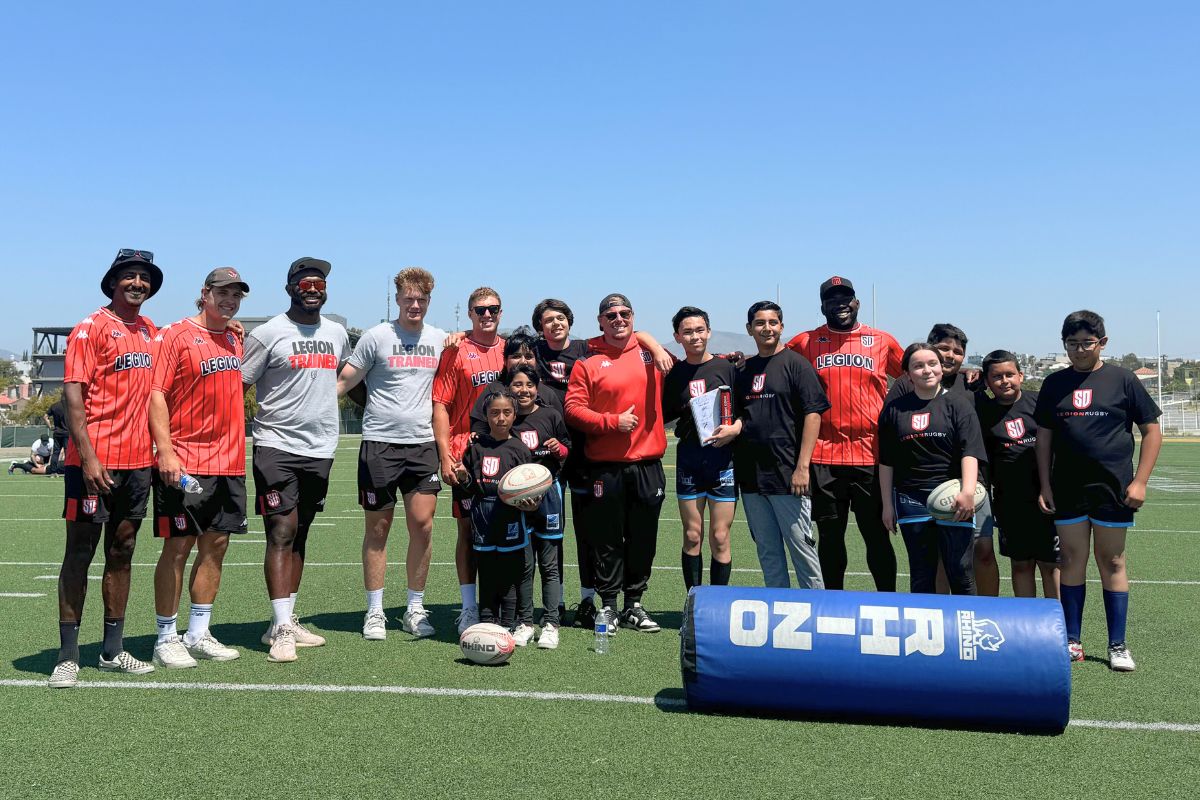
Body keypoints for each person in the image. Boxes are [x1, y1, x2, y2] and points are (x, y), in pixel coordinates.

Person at [49, 248, 163, 688]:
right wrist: (89, 454)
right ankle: (67, 655)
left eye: (144, 278)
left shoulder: (151, 330)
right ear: (113, 282)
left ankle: (113, 649)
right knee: (79, 552)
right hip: (93, 463)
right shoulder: (89, 328)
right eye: (130, 276)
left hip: (138, 463)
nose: (138, 283)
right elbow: (72, 396)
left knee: (123, 550)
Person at [530, 298, 671, 629]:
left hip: (648, 463)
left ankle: (634, 603)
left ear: (634, 317)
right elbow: (573, 409)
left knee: (643, 538)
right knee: (606, 539)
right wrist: (612, 422)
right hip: (604, 466)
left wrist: (651, 340)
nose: (618, 320)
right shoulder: (588, 359)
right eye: (611, 316)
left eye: (624, 314)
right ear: (600, 322)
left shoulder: (653, 354)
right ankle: (608, 604)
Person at [1035, 310, 1161, 671]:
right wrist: (1045, 483)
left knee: (1112, 561)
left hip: (1113, 488)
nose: (1079, 350)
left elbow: (1151, 431)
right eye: (1072, 344)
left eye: (1086, 343)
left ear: (1102, 342)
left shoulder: (1122, 380)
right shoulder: (1054, 383)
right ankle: (1072, 640)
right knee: (1071, 561)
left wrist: (1140, 482)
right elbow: (1043, 438)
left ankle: (1117, 645)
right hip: (1067, 488)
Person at [241, 257, 349, 663]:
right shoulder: (269, 333)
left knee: (301, 532)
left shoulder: (337, 333)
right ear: (289, 289)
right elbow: (238, 384)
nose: (313, 288)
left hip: (320, 447)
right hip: (276, 445)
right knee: (281, 531)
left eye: (319, 283)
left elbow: (345, 380)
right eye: (305, 282)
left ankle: (282, 620)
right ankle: (281, 625)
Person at [149, 268, 250, 668]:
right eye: (223, 293)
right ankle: (165, 635)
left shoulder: (233, 337)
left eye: (237, 295)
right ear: (204, 293)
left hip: (229, 464)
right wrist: (166, 452)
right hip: (187, 463)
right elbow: (156, 395)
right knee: (178, 547)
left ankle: (198, 632)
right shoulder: (175, 335)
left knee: (217, 546)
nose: (230, 300)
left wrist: (233, 327)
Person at [337, 268, 445, 641]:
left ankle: (414, 608)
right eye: (408, 298)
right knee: (378, 530)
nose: (415, 305)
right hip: (380, 444)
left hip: (422, 444)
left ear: (429, 301)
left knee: (423, 525)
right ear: (397, 298)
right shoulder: (376, 337)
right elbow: (345, 380)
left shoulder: (441, 339)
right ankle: (375, 611)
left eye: (422, 299)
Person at [786, 276, 902, 591]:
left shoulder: (882, 341)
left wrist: (959, 380)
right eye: (832, 299)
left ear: (857, 302)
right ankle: (833, 604)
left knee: (876, 536)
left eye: (846, 298)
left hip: (871, 457)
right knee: (831, 537)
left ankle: (887, 602)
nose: (840, 304)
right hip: (824, 456)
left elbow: (915, 377)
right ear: (822, 305)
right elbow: (775, 367)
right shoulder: (804, 342)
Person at [710, 301, 829, 590]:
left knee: (803, 550)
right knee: (768, 552)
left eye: (773, 322)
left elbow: (814, 415)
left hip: (788, 475)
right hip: (751, 476)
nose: (767, 328)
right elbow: (740, 415)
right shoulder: (744, 370)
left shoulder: (797, 365)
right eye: (760, 323)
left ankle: (815, 614)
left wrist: (802, 467)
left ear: (781, 327)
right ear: (749, 329)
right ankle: (780, 614)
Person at [885, 323, 998, 596]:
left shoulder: (966, 390)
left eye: (957, 352)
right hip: (912, 495)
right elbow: (887, 456)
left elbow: (971, 447)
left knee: (969, 562)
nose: (949, 356)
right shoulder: (900, 397)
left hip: (961, 488)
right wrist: (888, 504)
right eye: (943, 349)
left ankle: (980, 618)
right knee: (925, 569)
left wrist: (969, 490)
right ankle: (933, 629)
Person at [433, 287, 507, 634]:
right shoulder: (456, 350)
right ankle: (468, 606)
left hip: (507, 453)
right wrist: (445, 455)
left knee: (508, 529)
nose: (487, 315)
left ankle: (508, 609)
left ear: (500, 312)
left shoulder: (510, 350)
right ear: (470, 314)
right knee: (467, 530)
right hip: (466, 454)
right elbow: (441, 406)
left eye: (492, 309)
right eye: (480, 310)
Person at [662, 306, 737, 590]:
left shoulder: (727, 368)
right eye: (688, 332)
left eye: (700, 330)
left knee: (720, 536)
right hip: (690, 459)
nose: (695, 336)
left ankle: (717, 602)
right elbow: (663, 413)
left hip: (722, 460)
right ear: (677, 337)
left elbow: (743, 411)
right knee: (693, 534)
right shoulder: (675, 375)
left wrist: (736, 428)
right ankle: (693, 601)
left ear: (709, 332)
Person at [976, 350, 1060, 599]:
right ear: (987, 382)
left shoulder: (1040, 402)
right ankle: (1029, 627)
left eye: (1010, 374)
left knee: (1051, 564)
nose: (1005, 381)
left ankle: (1060, 628)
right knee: (1021, 564)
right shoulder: (983, 413)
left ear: (1021, 376)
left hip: (1047, 498)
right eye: (997, 376)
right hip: (1009, 502)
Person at [453, 390, 539, 627]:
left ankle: (508, 625)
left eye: (507, 412)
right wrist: (463, 477)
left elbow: (529, 486)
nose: (501, 418)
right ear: (486, 415)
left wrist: (532, 504)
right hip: (483, 516)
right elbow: (471, 487)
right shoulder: (477, 447)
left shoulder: (520, 449)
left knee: (509, 575)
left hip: (511, 517)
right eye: (495, 413)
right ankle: (487, 621)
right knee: (487, 572)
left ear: (514, 415)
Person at [506, 365, 571, 648]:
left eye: (529, 385)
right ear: (508, 387)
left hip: (549, 497)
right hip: (516, 503)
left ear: (537, 387)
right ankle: (524, 621)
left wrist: (560, 448)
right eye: (517, 384)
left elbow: (568, 448)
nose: (523, 390)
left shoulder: (551, 415)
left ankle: (551, 623)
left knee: (549, 563)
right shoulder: (505, 419)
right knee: (523, 564)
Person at [45, 397, 69, 474]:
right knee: (67, 452)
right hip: (67, 432)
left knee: (56, 452)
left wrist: (50, 426)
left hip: (57, 432)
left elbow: (45, 416)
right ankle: (68, 471)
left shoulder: (54, 406)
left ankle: (53, 472)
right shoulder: (70, 405)